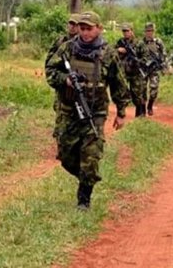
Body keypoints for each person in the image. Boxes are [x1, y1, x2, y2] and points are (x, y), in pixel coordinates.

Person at [45, 11, 129, 211]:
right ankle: (84, 176)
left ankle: (84, 198)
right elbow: (50, 71)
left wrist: (121, 111)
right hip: (68, 110)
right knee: (65, 155)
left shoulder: (108, 53)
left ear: (99, 28)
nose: (84, 32)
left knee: (90, 157)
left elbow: (119, 83)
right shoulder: (67, 48)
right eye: (82, 28)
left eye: (89, 28)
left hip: (95, 113)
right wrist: (65, 80)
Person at [115, 23, 147, 117]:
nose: (125, 33)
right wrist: (118, 50)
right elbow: (112, 51)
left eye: (127, 31)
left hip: (136, 73)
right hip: (124, 71)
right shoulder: (120, 42)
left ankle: (141, 114)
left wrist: (137, 61)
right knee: (122, 91)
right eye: (124, 31)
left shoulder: (139, 43)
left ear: (132, 31)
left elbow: (146, 57)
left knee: (137, 95)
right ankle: (121, 113)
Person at [141, 22, 167, 116]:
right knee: (142, 90)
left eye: (151, 31)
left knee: (154, 90)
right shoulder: (141, 43)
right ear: (145, 32)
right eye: (147, 31)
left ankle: (150, 106)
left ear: (154, 31)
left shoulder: (158, 42)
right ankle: (143, 109)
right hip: (143, 70)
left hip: (154, 70)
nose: (149, 33)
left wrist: (164, 66)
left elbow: (163, 54)